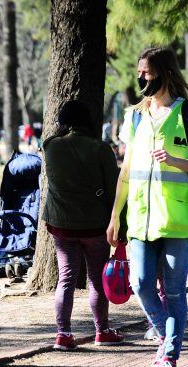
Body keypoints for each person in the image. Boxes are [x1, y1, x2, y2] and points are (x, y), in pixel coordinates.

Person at [107, 47, 188, 367]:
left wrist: (175, 160)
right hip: (140, 218)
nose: (141, 78)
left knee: (174, 290)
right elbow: (125, 172)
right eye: (139, 72)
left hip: (178, 217)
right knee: (139, 283)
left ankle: (169, 352)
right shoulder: (134, 116)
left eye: (147, 73)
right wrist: (115, 215)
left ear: (164, 74)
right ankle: (166, 333)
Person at [40, 100, 123, 350]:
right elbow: (114, 191)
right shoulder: (101, 149)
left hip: (61, 226)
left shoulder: (50, 146)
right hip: (95, 225)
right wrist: (121, 225)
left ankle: (63, 334)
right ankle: (102, 331)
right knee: (96, 281)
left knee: (65, 279)